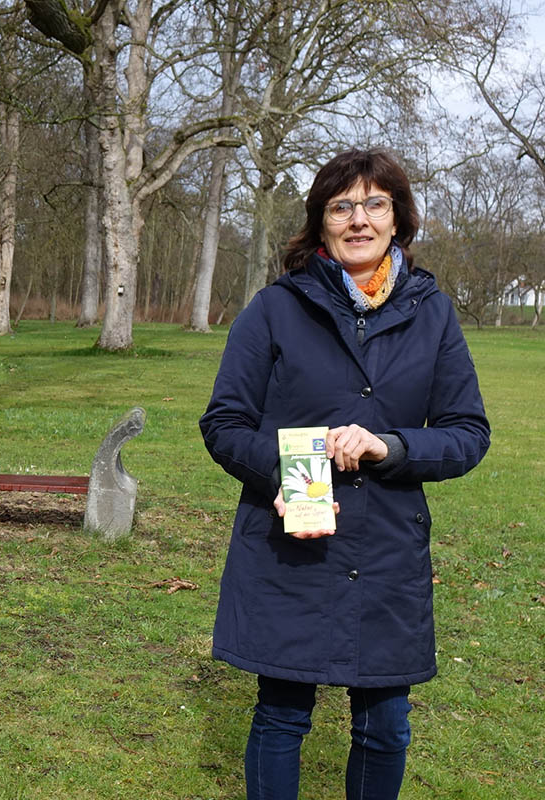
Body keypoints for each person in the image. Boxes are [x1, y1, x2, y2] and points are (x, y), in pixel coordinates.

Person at [199, 148, 489, 800]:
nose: (359, 219)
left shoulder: (433, 312)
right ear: (321, 221)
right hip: (291, 548)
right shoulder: (275, 308)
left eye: (375, 203)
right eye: (342, 206)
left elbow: (468, 434)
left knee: (386, 727)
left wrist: (390, 446)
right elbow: (224, 422)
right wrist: (291, 474)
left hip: (386, 552)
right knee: (281, 715)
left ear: (398, 218)